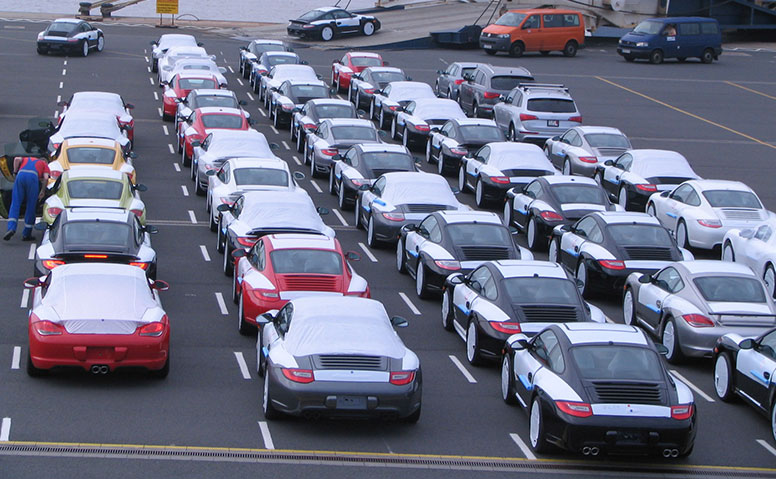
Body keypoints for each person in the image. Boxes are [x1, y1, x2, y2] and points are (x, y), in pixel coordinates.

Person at [4, 155, 50, 241]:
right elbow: (46, 178)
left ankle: (11, 228)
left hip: (20, 175)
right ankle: (26, 234)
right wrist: (43, 191)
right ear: (45, 162)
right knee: (31, 205)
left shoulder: (27, 159)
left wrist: (15, 172)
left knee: (15, 203)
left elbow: (16, 159)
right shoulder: (44, 165)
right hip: (32, 178)